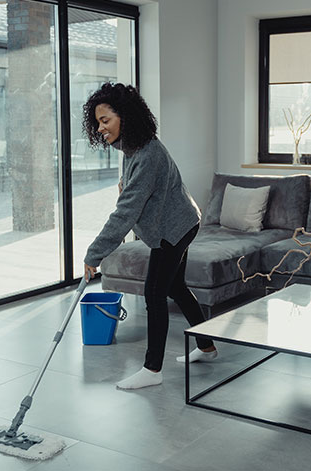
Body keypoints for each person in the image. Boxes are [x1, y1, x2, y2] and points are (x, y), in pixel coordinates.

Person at [82, 83, 217, 390]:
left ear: (125, 117)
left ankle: (152, 370)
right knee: (177, 287)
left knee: (155, 293)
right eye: (98, 122)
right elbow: (132, 193)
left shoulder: (148, 154)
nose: (100, 128)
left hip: (176, 228)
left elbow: (125, 212)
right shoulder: (132, 148)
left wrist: (94, 254)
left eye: (105, 120)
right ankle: (207, 347)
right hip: (179, 221)